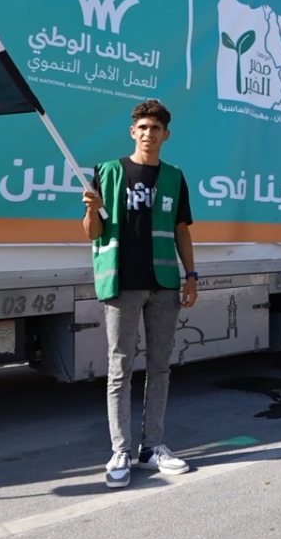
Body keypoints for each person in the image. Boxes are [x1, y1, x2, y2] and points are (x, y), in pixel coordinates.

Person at [83, 99, 197, 489]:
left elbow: (182, 229)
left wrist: (192, 274)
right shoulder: (108, 172)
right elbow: (93, 232)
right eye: (142, 127)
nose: (149, 133)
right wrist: (91, 211)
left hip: (163, 283)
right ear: (133, 132)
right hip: (121, 284)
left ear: (166, 134)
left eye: (156, 128)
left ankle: (153, 447)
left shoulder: (174, 177)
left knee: (161, 366)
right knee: (119, 368)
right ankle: (120, 450)